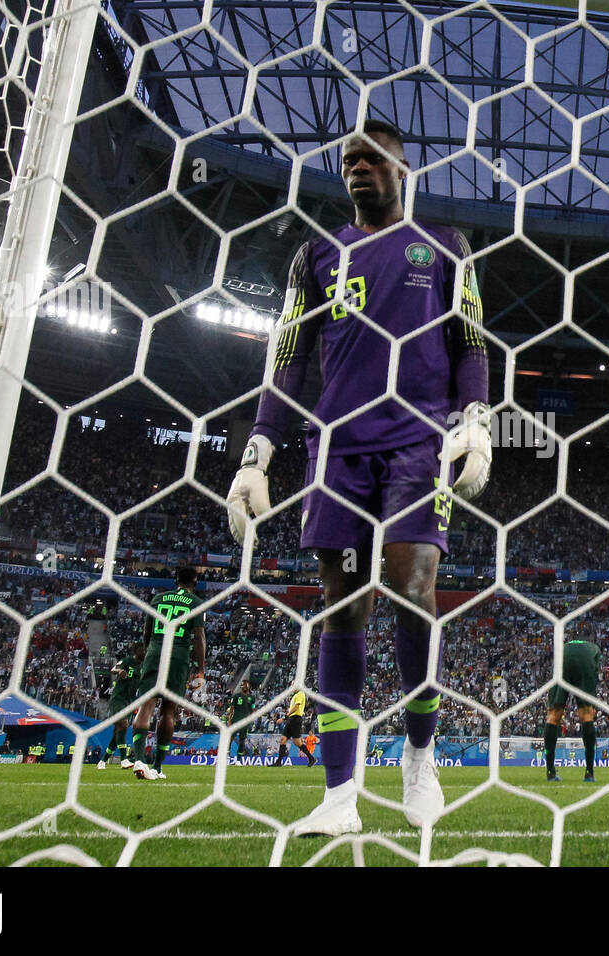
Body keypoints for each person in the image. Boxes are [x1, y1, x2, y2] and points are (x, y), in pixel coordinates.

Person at [225, 121, 490, 835]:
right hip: (337, 449)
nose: (358, 168)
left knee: (412, 585)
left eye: (373, 157)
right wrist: (258, 452)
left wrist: (477, 418)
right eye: (347, 161)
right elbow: (287, 354)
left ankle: (418, 754)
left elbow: (470, 341)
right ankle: (339, 795)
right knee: (343, 605)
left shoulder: (446, 247)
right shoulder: (314, 255)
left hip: (419, 444)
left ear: (406, 168)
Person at [131, 567, 207, 781]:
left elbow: (146, 633)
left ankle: (139, 759)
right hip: (178, 657)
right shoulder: (195, 603)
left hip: (155, 653)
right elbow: (199, 638)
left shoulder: (157, 598)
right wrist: (200, 670)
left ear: (176, 579)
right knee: (168, 712)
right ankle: (156, 766)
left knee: (146, 706)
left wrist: (150, 654)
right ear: (195, 581)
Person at [544, 637, 602, 783]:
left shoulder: (564, 646)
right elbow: (594, 673)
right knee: (587, 716)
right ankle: (589, 774)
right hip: (586, 662)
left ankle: (550, 773)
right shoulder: (594, 648)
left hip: (561, 658)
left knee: (554, 715)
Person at [98, 643, 144, 769]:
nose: (145, 652)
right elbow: (113, 669)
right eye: (143, 650)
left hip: (129, 702)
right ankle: (124, 760)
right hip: (118, 699)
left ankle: (102, 761)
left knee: (118, 731)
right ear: (137, 651)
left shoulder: (142, 666)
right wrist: (120, 671)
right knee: (123, 725)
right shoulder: (127, 660)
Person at [277, 690, 317, 767]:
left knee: (297, 742)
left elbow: (296, 707)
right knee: (283, 739)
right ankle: (278, 762)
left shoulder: (300, 694)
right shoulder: (296, 695)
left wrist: (285, 717)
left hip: (296, 719)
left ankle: (311, 758)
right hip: (291, 719)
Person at [227, 679, 255, 759]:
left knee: (242, 740)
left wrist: (251, 721)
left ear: (249, 686)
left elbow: (253, 710)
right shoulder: (236, 696)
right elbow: (232, 709)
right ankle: (226, 754)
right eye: (242, 685)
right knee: (231, 737)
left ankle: (239, 758)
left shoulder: (252, 698)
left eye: (245, 684)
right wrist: (229, 720)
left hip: (245, 721)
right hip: (235, 719)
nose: (244, 686)